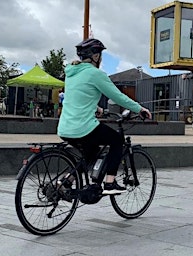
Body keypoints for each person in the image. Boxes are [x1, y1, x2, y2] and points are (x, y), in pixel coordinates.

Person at [57, 38, 152, 195]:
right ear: (95, 56)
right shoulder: (95, 74)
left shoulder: (71, 73)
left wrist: (96, 107)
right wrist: (139, 108)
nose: (101, 58)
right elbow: (118, 96)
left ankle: (66, 182)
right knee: (117, 140)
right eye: (100, 55)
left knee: (91, 153)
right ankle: (109, 182)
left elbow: (76, 96)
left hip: (64, 128)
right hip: (83, 127)